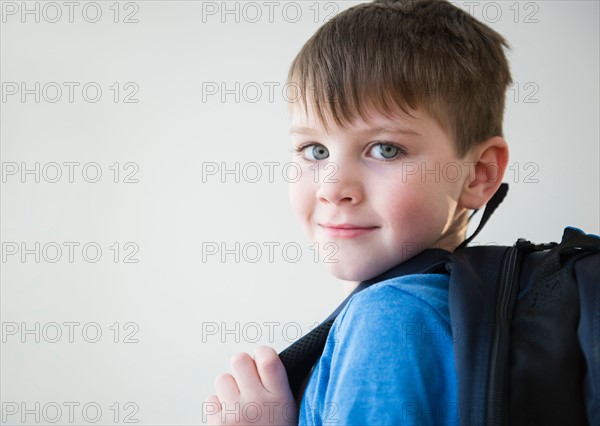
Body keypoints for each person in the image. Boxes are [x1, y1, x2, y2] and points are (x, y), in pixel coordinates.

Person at [204, 0, 512, 424]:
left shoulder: (389, 318)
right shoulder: (447, 307)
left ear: (478, 174)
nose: (333, 188)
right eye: (315, 150)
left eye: (385, 149)